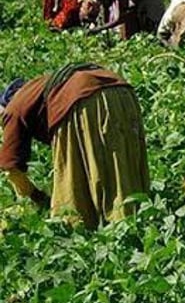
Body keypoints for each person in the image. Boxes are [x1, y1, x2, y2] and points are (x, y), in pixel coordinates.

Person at [0, 63, 150, 229]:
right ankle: (136, 222)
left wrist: (38, 197)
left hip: (81, 97)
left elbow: (11, 169)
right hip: (123, 91)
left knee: (72, 193)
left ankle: (108, 233)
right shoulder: (37, 89)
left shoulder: (13, 109)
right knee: (123, 164)